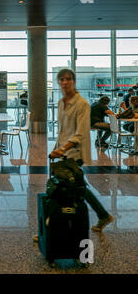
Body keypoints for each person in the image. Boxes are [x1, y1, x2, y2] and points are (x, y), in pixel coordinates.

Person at [49, 69, 114, 232]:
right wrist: (56, 148)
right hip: (64, 151)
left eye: (68, 79)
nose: (65, 82)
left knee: (61, 188)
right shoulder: (61, 102)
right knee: (77, 188)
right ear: (58, 82)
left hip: (75, 153)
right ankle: (103, 215)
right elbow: (63, 129)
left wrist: (62, 149)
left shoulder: (82, 104)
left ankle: (50, 227)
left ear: (74, 81)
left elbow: (81, 132)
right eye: (61, 79)